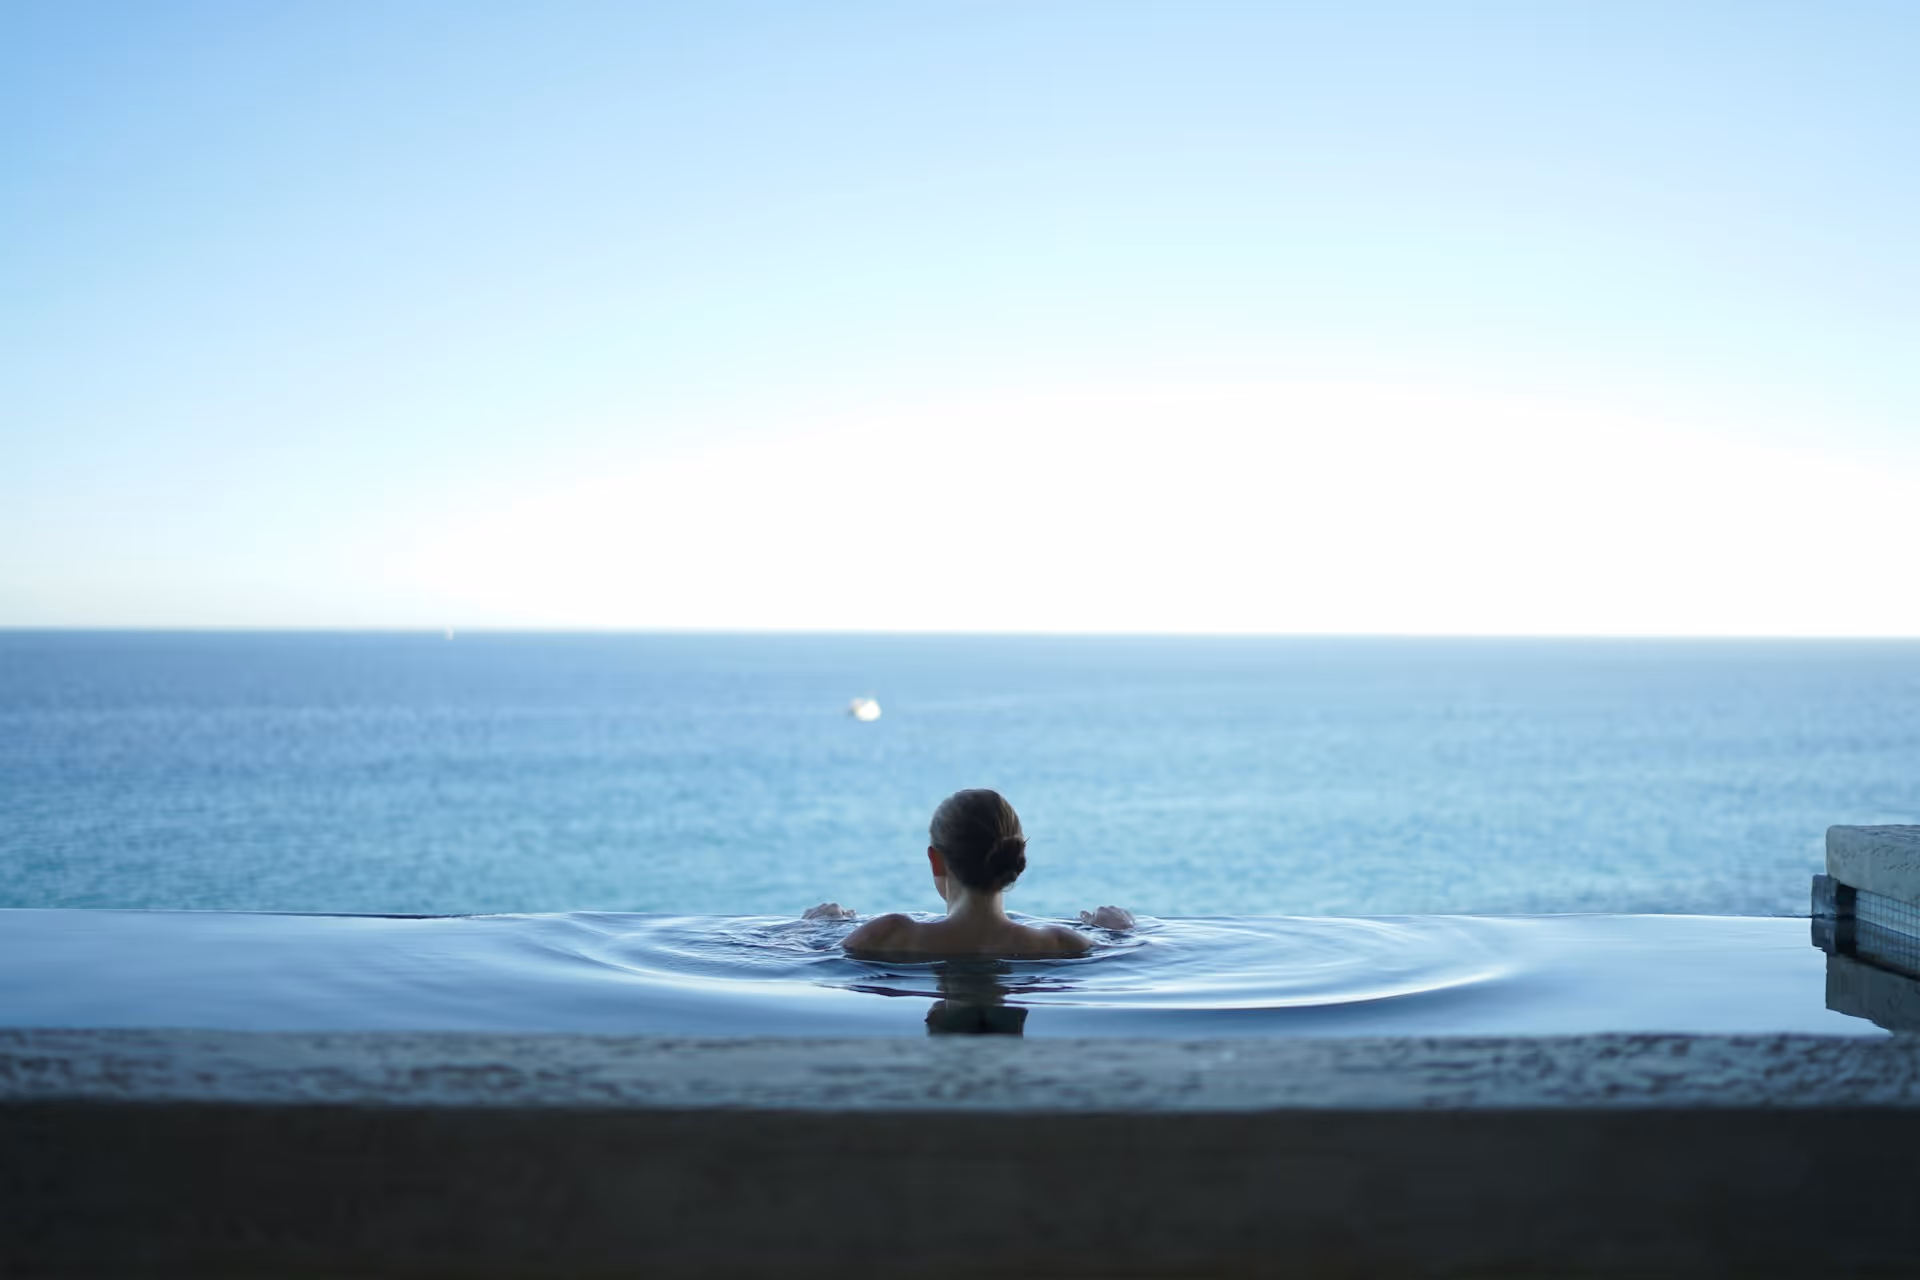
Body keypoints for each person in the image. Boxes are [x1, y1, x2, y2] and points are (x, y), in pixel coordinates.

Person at [805, 788, 1134, 956]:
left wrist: (814, 929)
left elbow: (807, 960)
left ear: (936, 861)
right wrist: (1119, 932)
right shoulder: (1061, 944)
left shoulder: (889, 935)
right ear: (1016, 861)